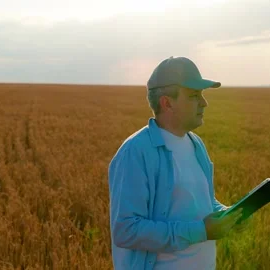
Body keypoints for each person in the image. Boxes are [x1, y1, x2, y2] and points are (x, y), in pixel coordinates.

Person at [108, 56, 252, 270]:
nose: (204, 103)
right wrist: (202, 231)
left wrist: (229, 215)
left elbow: (202, 203)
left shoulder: (196, 144)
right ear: (167, 102)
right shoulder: (136, 152)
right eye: (194, 95)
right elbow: (126, 230)